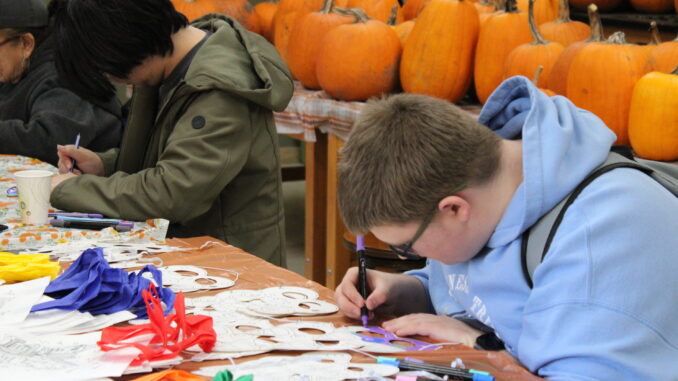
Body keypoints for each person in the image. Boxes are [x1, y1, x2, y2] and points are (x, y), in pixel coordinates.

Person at [334, 76, 678, 380]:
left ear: (454, 208)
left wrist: (478, 343)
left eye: (406, 248)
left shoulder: (601, 236)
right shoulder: (486, 190)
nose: (410, 255)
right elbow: (472, 289)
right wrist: (407, 290)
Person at [48, 0, 293, 266]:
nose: (111, 77)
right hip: (191, 254)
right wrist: (104, 165)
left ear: (127, 39)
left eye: (108, 69)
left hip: (231, 267)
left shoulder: (218, 90)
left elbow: (173, 192)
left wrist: (74, 190)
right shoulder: (164, 64)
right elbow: (170, 154)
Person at [0, 0, 122, 166]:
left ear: (26, 44)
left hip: (94, 183)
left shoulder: (63, 72)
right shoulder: (16, 67)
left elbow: (49, 141)